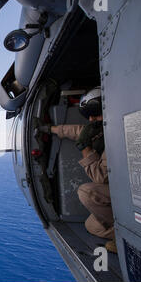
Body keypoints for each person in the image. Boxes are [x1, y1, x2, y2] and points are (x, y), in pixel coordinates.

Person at [43, 87, 117, 253]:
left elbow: (100, 177)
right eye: (89, 116)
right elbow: (81, 131)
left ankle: (128, 237)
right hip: (123, 193)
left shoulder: (117, 136)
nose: (91, 120)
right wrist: (51, 129)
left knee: (86, 192)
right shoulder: (105, 129)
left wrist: (85, 147)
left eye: (95, 114)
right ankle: (121, 234)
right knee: (92, 225)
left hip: (131, 195)